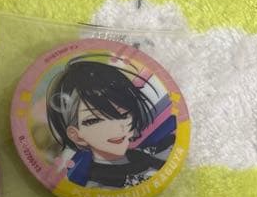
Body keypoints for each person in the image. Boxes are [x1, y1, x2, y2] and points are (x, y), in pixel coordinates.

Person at [45, 56, 174, 188]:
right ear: (76, 135)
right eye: (94, 120)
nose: (117, 127)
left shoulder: (145, 152)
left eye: (123, 114)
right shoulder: (99, 187)